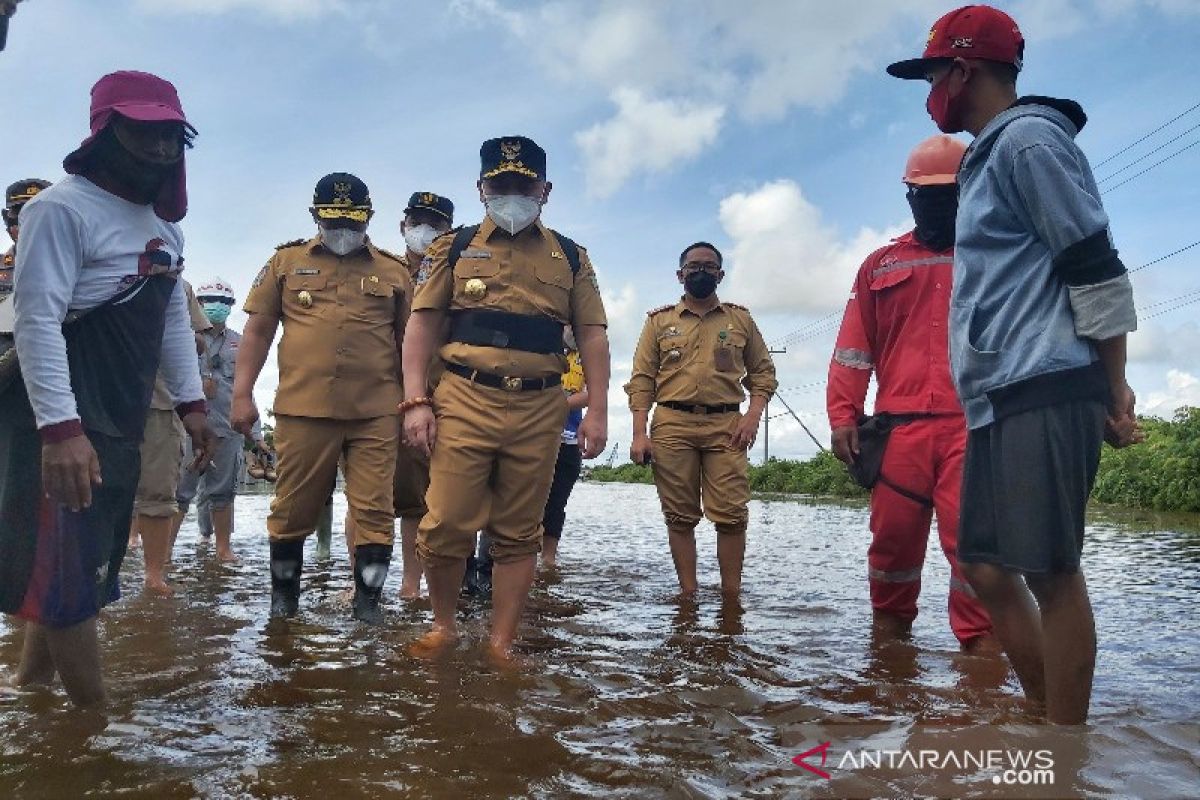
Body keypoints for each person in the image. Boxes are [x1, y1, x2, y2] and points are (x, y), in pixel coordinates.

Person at [887, 4, 1141, 723]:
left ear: (963, 68)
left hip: (1046, 382)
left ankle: (1067, 752)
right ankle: (1043, 715)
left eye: (933, 73)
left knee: (1051, 571)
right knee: (985, 567)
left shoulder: (1029, 143)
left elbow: (1095, 265)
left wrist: (1113, 389)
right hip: (998, 395)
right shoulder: (990, 157)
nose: (930, 88)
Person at [0, 70, 211, 707]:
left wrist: (192, 403)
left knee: (77, 568)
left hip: (121, 416)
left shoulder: (162, 229)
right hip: (63, 414)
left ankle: (29, 687)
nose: (156, 149)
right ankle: (94, 728)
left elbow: (171, 318)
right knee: (67, 573)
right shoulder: (59, 209)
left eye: (169, 136)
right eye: (140, 133)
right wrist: (60, 432)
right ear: (104, 132)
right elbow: (36, 322)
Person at [402, 135, 609, 666]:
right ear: (481, 188)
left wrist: (599, 411)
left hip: (541, 406)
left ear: (546, 190)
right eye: (501, 184)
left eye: (524, 184)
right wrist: (416, 401)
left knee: (520, 531)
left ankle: (501, 643)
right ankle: (444, 627)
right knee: (445, 521)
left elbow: (593, 336)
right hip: (464, 397)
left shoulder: (572, 256)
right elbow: (422, 327)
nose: (512, 193)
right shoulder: (451, 247)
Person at [826, 135, 995, 652]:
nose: (938, 201)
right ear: (908, 196)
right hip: (898, 433)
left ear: (968, 191)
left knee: (976, 560)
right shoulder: (880, 265)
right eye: (927, 192)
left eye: (950, 191)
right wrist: (842, 417)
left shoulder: (994, 257)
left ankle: (981, 682)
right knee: (891, 555)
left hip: (975, 428)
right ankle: (890, 670)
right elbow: (854, 348)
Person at [233, 173, 411, 624]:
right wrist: (241, 395)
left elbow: (411, 344)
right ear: (315, 217)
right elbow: (257, 331)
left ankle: (368, 610)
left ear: (369, 218)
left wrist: (417, 405)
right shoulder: (285, 262)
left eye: (353, 221)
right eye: (333, 221)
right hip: (303, 410)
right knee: (292, 509)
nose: (343, 231)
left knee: (375, 511)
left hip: (376, 413)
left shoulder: (394, 272)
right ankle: (283, 608)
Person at [626, 243, 776, 597]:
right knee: (679, 516)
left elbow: (763, 374)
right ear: (680, 275)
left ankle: (731, 597)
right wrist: (638, 433)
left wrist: (753, 416)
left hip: (727, 425)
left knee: (732, 514)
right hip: (671, 424)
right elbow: (642, 379)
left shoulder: (740, 320)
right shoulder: (658, 322)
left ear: (721, 275)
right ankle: (688, 596)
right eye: (693, 267)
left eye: (709, 267)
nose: (701, 272)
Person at [343, 190, 454, 596]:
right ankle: (359, 585)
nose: (424, 231)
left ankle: (411, 586)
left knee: (419, 500)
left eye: (436, 224)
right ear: (402, 226)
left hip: (434, 399)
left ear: (448, 231)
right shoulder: (380, 271)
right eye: (417, 222)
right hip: (375, 398)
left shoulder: (456, 274)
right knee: (364, 494)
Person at [172, 277, 264, 563]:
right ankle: (164, 554)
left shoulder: (241, 342)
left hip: (227, 428)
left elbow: (246, 391)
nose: (217, 306)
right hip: (187, 428)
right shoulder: (181, 338)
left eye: (224, 302)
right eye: (210, 300)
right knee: (178, 493)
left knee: (223, 493)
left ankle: (223, 549)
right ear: (196, 304)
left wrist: (257, 435)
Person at [129, 280, 211, 593]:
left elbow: (198, 341)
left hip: (161, 399)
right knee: (93, 490)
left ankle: (154, 576)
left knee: (160, 490)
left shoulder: (176, 282)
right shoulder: (90, 256)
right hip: (98, 395)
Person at [539, 325, 588, 568]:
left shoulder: (587, 356)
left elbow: (591, 393)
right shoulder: (542, 346)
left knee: (556, 503)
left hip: (568, 439)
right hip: (534, 437)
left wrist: (555, 404)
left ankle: (548, 559)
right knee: (526, 501)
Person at [2, 179, 52, 301]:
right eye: (19, 213)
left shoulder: (84, 260)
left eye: (39, 214)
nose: (27, 223)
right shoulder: (6, 262)